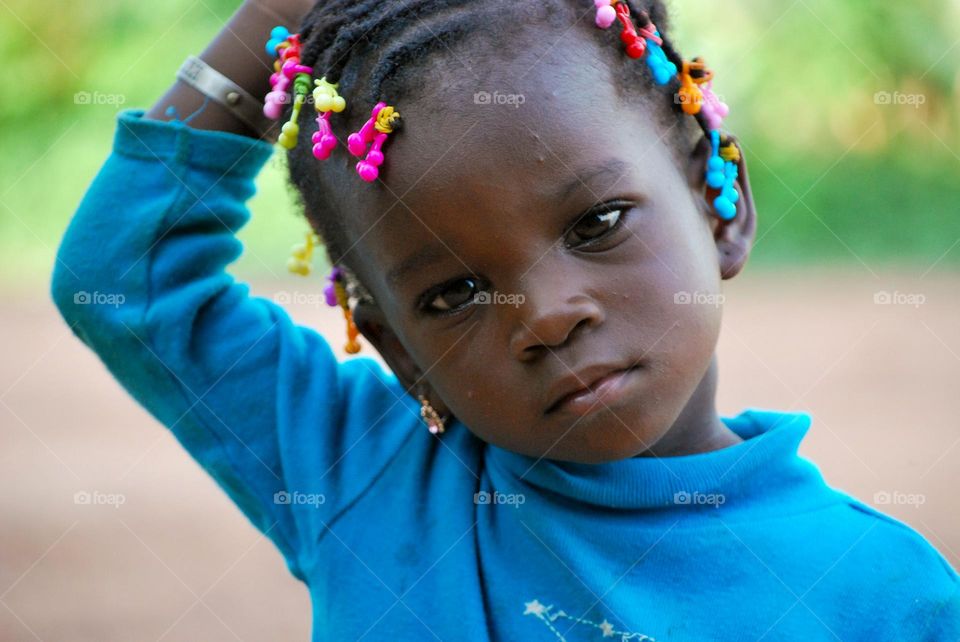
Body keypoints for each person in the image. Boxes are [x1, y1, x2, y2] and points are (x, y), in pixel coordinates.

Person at [51, 0, 960, 638]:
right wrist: (277, 15)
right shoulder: (367, 478)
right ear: (402, 352)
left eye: (595, 223)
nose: (547, 316)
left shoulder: (885, 596)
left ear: (717, 198)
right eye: (450, 295)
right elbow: (123, 281)